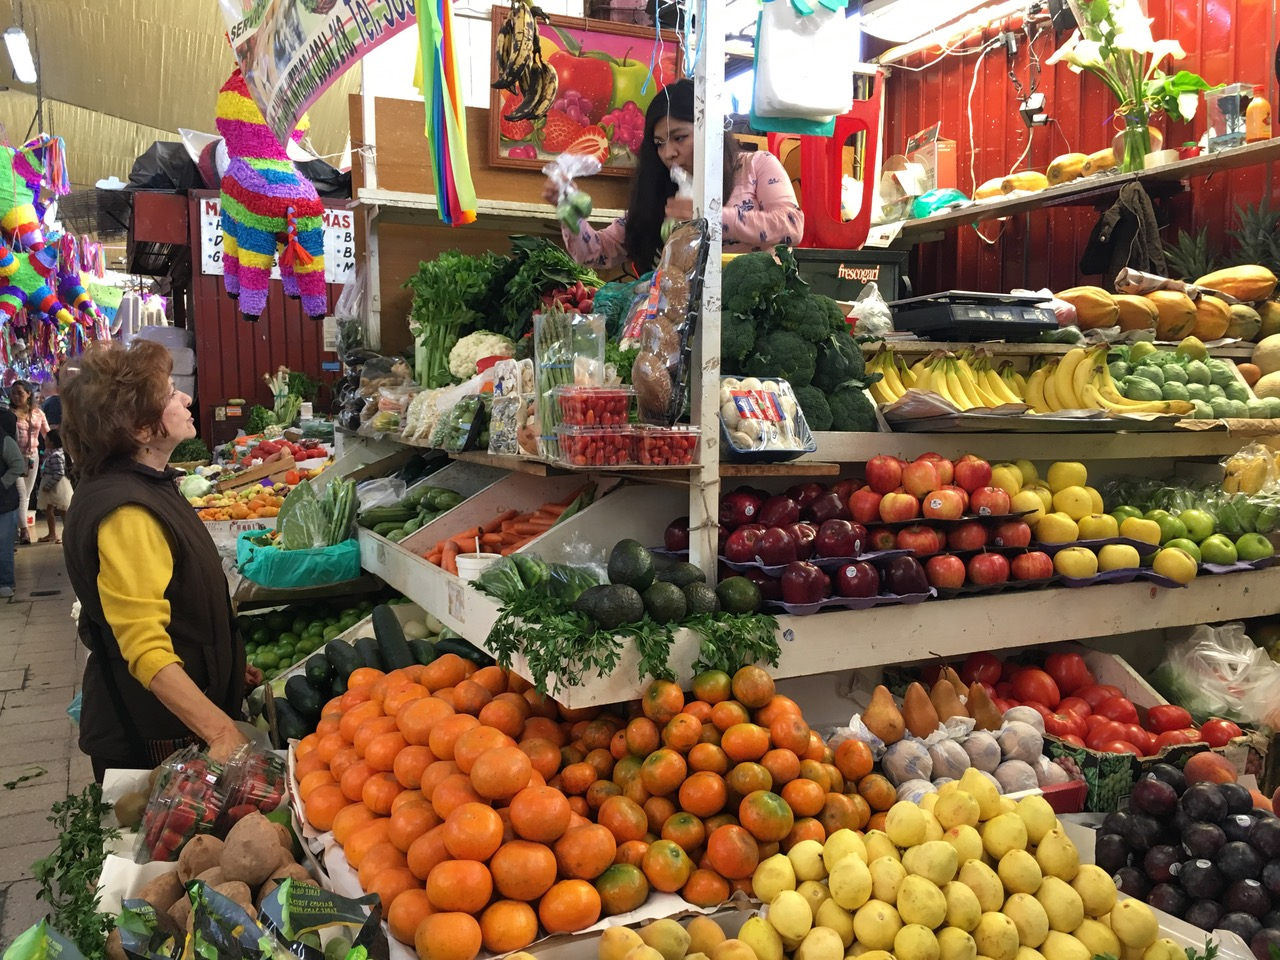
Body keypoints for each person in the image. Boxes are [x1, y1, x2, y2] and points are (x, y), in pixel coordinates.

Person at [62, 340, 261, 780]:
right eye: (171, 393)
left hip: (170, 720)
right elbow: (146, 648)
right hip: (153, 734)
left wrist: (223, 660)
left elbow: (179, 599)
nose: (186, 398)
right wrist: (220, 731)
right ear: (140, 428)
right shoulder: (127, 512)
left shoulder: (144, 485)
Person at [549, 79, 805, 272]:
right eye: (659, 143)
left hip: (756, 316)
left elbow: (791, 226)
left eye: (680, 137)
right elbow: (597, 253)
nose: (668, 152)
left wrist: (710, 217)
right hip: (683, 325)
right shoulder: (663, 192)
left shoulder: (757, 166)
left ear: (711, 128)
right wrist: (570, 214)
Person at [9, 380, 48, 544]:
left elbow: (48, 435)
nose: (16, 396)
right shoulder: (8, 414)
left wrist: (53, 451)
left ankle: (18, 529)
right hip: (14, 459)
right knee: (21, 493)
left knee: (27, 493)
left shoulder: (38, 413)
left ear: (28, 394)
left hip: (33, 457)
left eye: (20, 393)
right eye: (13, 393)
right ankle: (24, 530)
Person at [0, 409, 25, 598]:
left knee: (4, 543)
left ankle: (6, 582)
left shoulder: (4, 440)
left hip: (4, 501)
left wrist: (2, 484)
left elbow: (18, 464)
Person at [37, 429, 72, 543]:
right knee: (49, 509)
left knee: (62, 509)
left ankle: (67, 534)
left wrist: (49, 485)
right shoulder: (52, 453)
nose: (45, 441)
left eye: (47, 439)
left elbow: (59, 472)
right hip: (51, 483)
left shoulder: (56, 455)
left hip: (55, 485)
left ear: (52, 442)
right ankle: (52, 533)